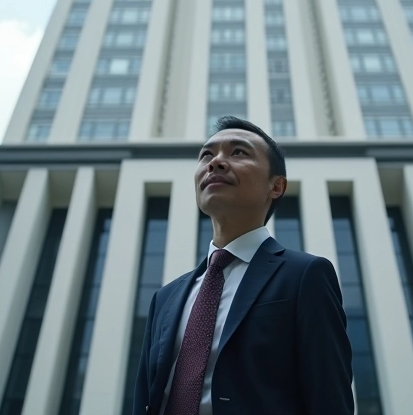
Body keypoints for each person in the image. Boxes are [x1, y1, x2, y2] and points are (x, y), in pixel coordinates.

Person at [131, 116, 354, 414]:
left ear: (276, 186)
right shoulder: (165, 299)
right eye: (206, 155)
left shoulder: (305, 276)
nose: (216, 163)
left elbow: (329, 399)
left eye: (238, 152)